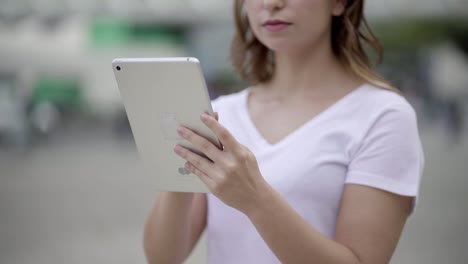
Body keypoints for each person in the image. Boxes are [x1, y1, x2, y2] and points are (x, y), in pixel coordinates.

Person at [143, 0, 425, 263]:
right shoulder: (219, 115)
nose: (271, 4)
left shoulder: (383, 116)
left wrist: (255, 199)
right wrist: (180, 167)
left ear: (340, 3)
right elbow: (163, 257)